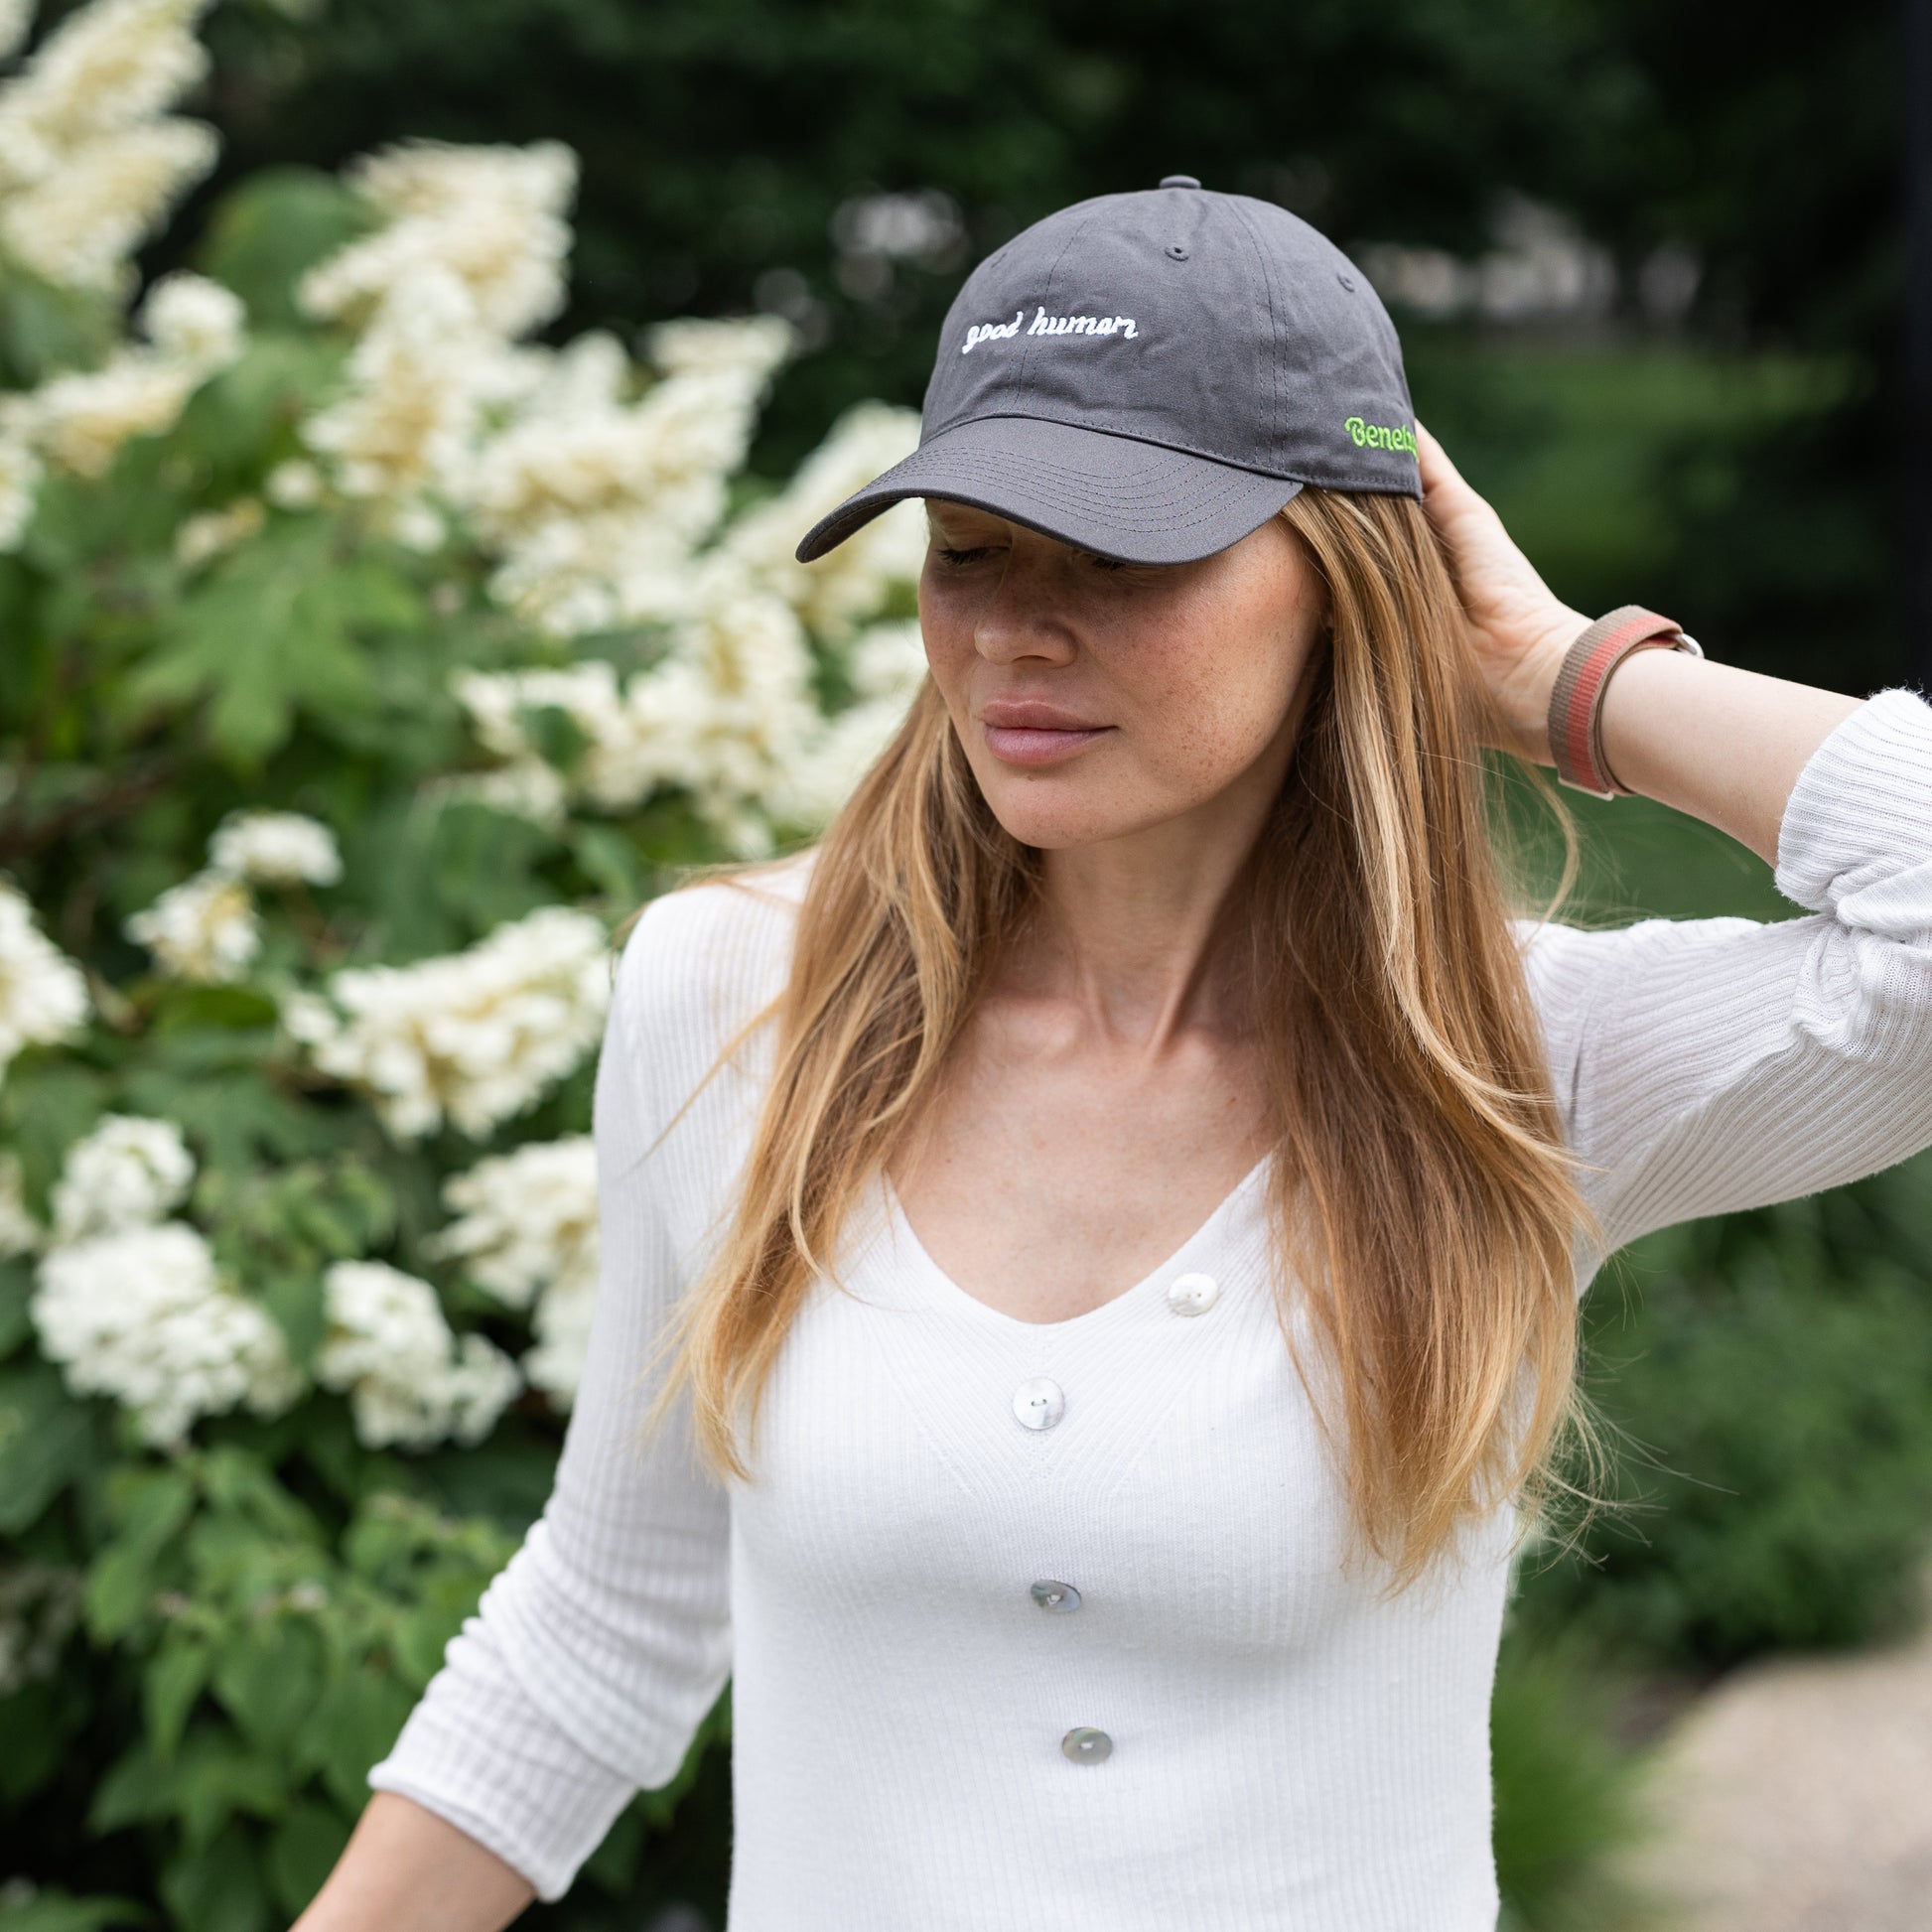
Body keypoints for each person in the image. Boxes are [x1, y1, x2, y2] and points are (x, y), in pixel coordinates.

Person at [292, 180, 1932, 1932]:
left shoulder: (1513, 1058)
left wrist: (1552, 673)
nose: (1015, 631)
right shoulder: (732, 1000)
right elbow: (601, 1625)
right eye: (969, 549)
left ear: (1344, 584)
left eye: (1124, 555)